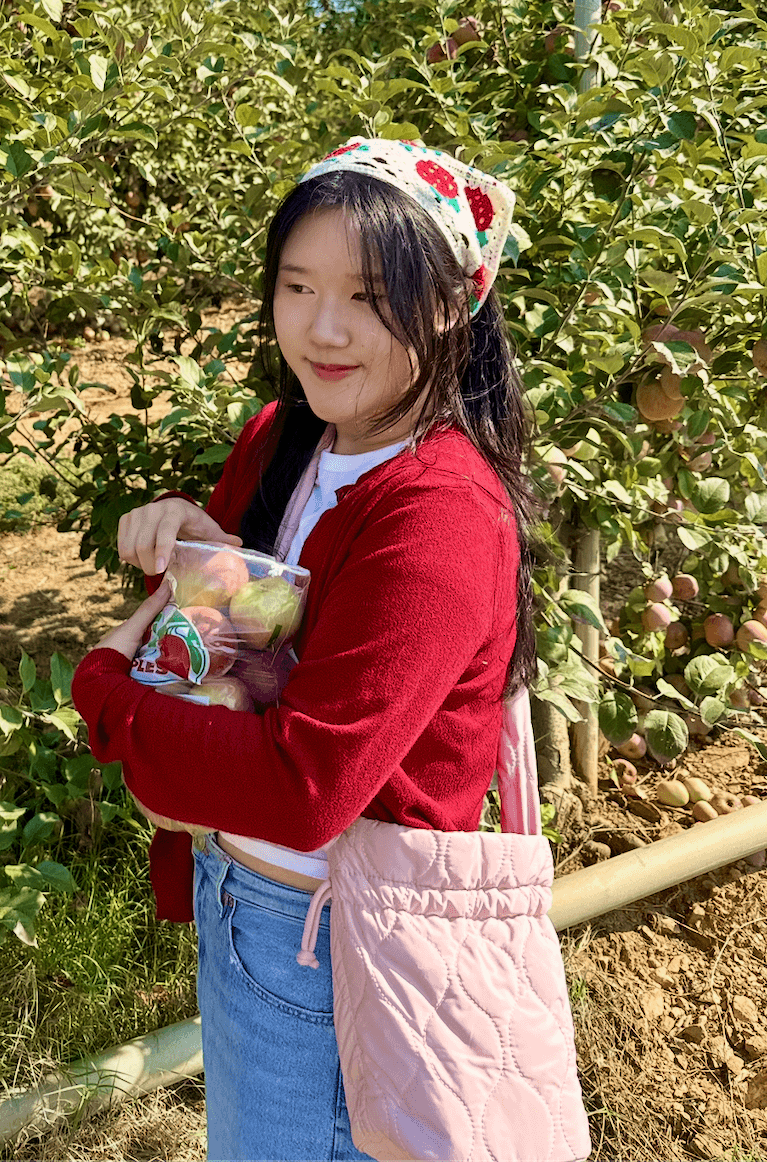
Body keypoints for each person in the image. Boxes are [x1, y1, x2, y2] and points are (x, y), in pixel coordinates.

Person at [70, 138, 538, 1162]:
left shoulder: (438, 513)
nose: (322, 328)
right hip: (246, 908)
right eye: (295, 285)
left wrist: (106, 692)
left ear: (454, 306)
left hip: (331, 947)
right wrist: (204, 549)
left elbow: (302, 784)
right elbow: (233, 668)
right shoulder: (288, 440)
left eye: (368, 296)